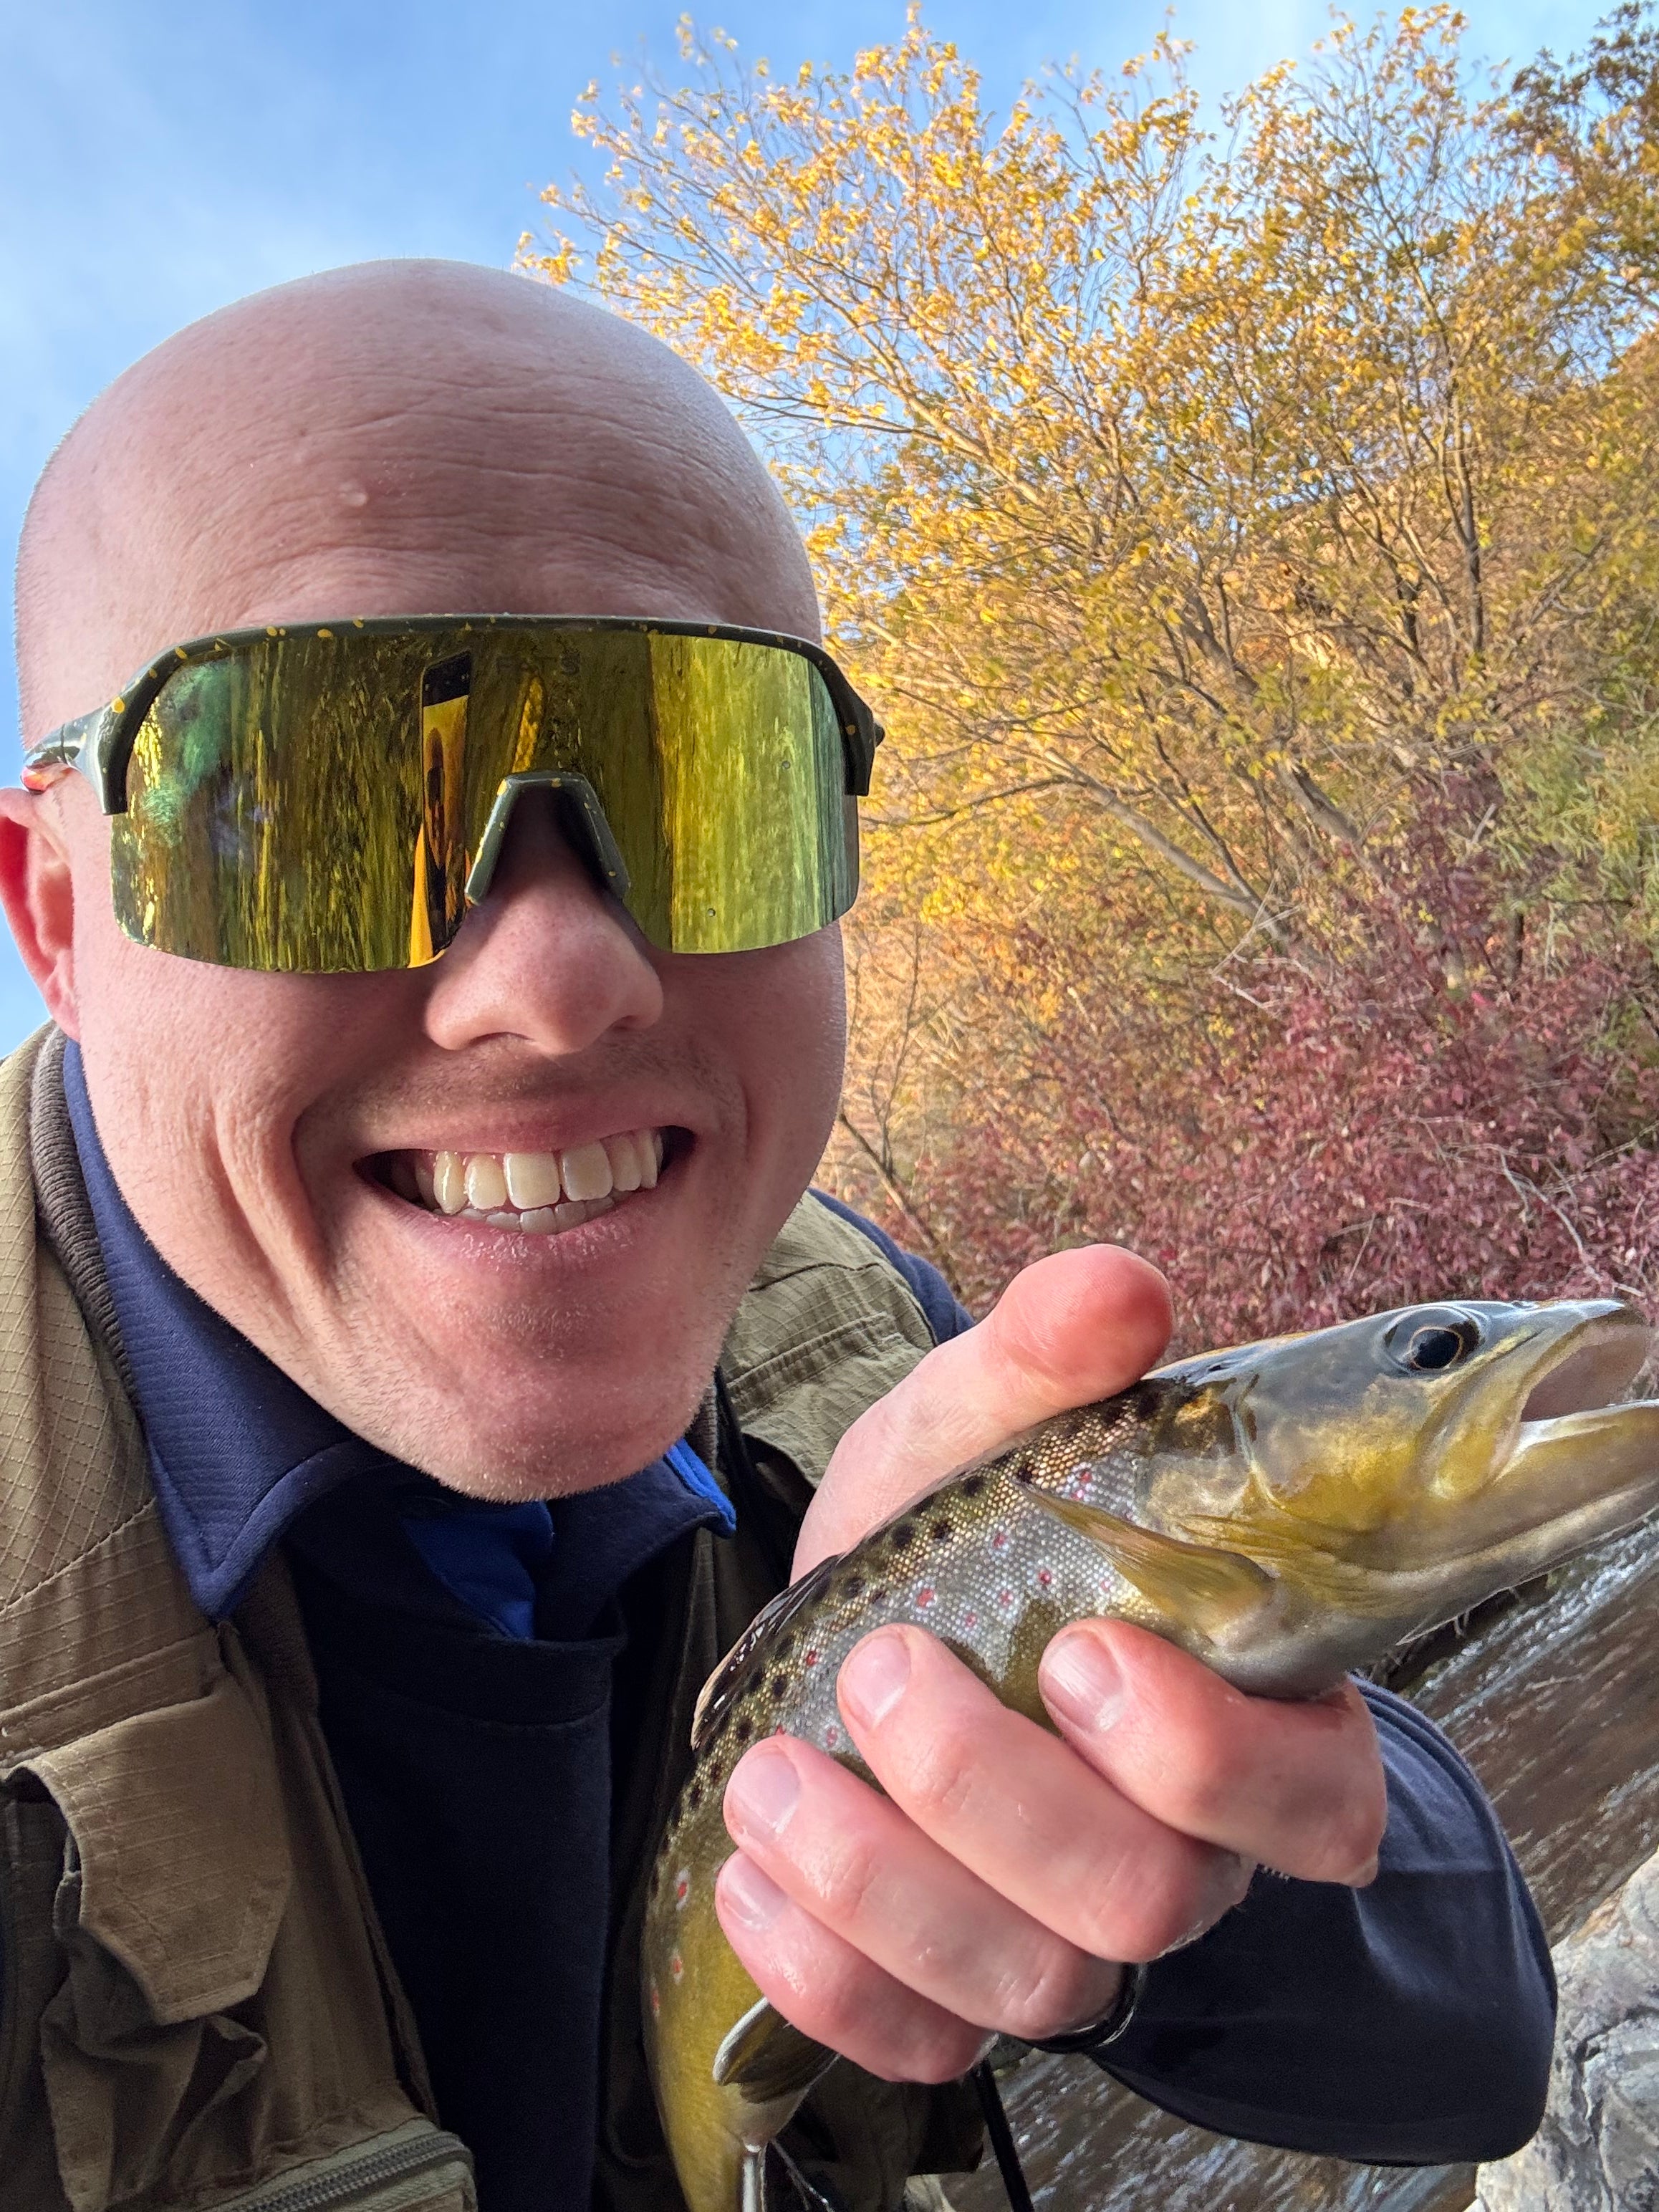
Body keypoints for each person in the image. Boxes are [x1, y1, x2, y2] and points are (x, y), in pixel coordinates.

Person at [0, 261, 1552, 2212]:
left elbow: (1474, 2049)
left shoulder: (837, 1333)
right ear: (57, 917)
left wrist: (1159, 1809)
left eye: (705, 778)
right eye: (320, 802)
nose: (554, 980)